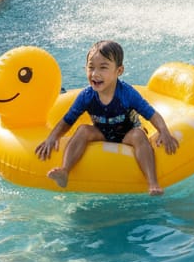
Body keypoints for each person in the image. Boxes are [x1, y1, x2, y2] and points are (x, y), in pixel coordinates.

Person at [34, 39, 179, 195]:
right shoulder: (86, 96)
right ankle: (64, 170)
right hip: (102, 132)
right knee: (83, 129)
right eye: (91, 67)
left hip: (128, 133)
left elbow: (151, 114)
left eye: (103, 67)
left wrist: (164, 131)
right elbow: (68, 120)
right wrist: (52, 137)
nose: (95, 74)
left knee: (138, 135)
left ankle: (152, 183)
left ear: (119, 71)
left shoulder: (127, 94)